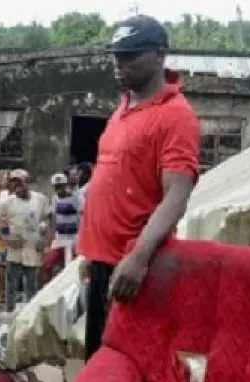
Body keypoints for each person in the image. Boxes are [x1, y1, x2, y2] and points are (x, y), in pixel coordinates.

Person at [76, 15, 201, 361]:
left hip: (131, 267)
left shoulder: (175, 115)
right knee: (98, 361)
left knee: (126, 368)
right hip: (105, 261)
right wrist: (92, 254)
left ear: (160, 55)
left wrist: (139, 259)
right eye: (117, 56)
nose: (120, 64)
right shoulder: (123, 109)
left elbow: (177, 194)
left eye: (131, 56)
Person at [0, 170, 51, 312]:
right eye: (13, 185)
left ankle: (30, 315)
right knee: (11, 283)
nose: (16, 188)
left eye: (19, 184)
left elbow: (51, 218)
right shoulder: (8, 202)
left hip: (33, 247)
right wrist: (6, 238)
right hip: (15, 248)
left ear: (26, 183)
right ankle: (10, 311)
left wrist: (46, 240)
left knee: (31, 284)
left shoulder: (40, 199)